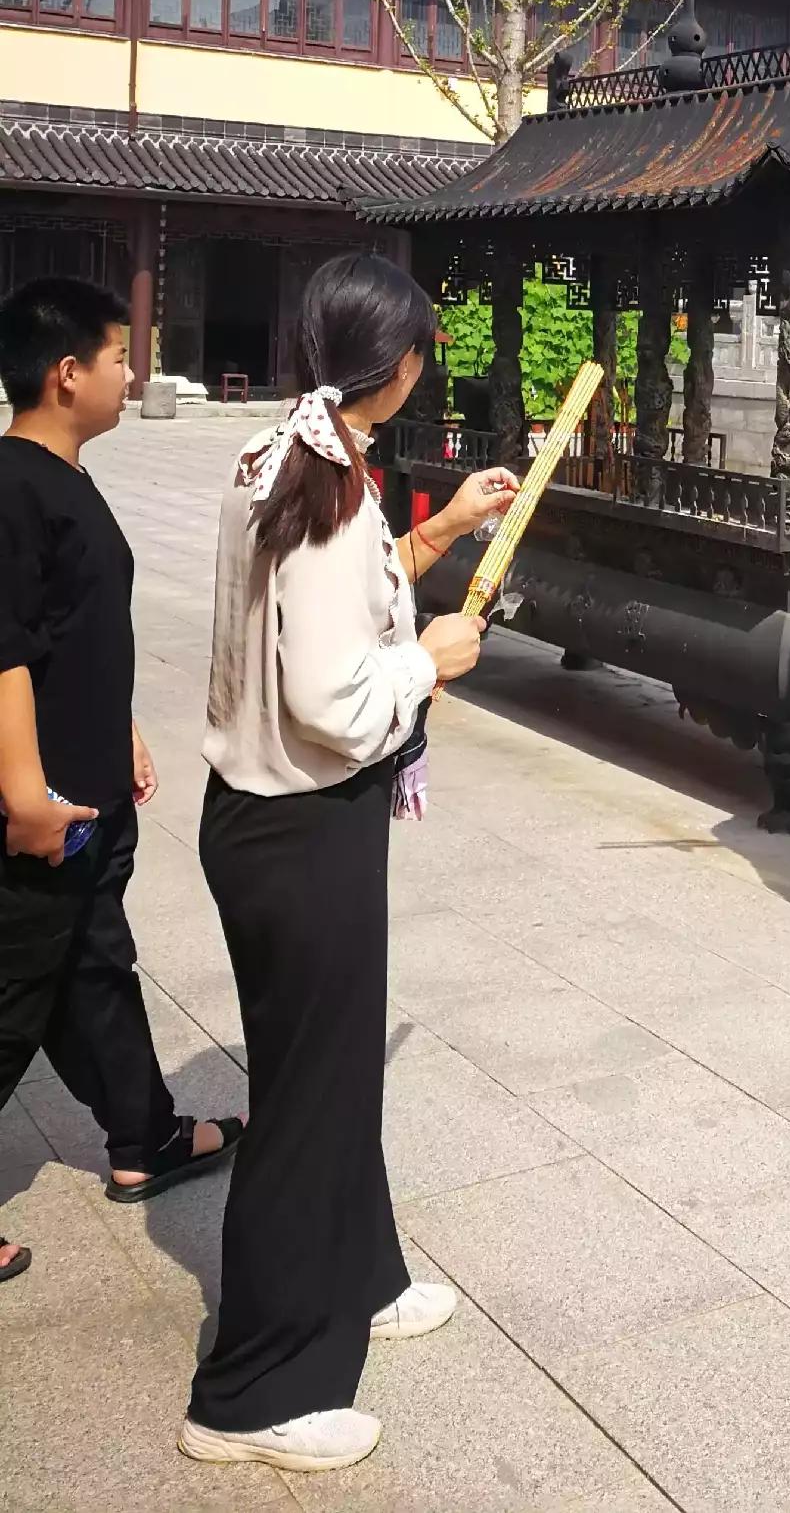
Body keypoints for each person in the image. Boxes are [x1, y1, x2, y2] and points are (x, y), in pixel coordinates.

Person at [179, 255, 517, 1475]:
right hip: (300, 823)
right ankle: (251, 1391)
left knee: (330, 1076)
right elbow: (332, 694)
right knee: (307, 1099)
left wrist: (446, 529)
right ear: (404, 362)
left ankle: (357, 1269)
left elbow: (340, 602)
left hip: (275, 821)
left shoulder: (293, 457)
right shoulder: (321, 491)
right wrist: (433, 660)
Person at [0, 279, 243, 1287]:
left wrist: (124, 725)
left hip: (87, 783)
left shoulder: (64, 476)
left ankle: (144, 1136)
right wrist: (22, 794)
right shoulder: (13, 485)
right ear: (66, 375)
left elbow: (72, 634)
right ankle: (145, 1130)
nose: (131, 373)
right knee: (15, 989)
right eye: (116, 358)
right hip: (44, 804)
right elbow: (3, 648)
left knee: (94, 964)